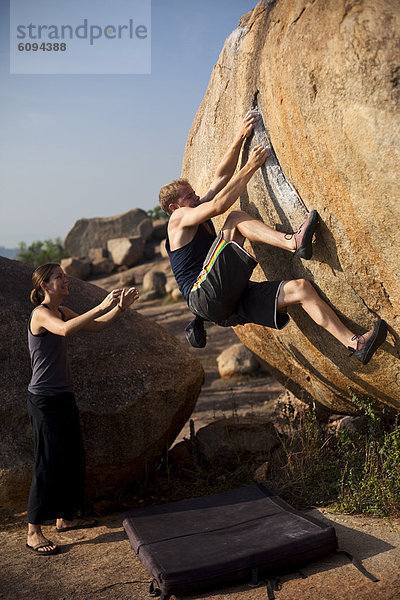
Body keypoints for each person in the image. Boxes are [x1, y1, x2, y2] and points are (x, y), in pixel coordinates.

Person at [159, 112, 387, 363]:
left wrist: (239, 138)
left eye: (193, 193)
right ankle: (294, 243)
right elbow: (218, 206)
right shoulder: (178, 220)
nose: (196, 197)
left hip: (225, 306)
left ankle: (355, 344)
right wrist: (251, 167)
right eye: (189, 196)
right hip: (203, 294)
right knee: (234, 218)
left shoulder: (193, 211)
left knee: (301, 289)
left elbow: (220, 178)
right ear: (174, 207)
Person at [26, 263, 139, 556]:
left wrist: (119, 308)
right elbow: (64, 331)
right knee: (47, 461)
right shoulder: (41, 314)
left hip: (63, 396)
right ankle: (33, 531)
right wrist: (100, 303)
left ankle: (65, 517)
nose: (66, 280)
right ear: (44, 286)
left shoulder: (62, 311)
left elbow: (97, 326)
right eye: (59, 277)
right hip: (43, 400)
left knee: (73, 457)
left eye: (65, 275)